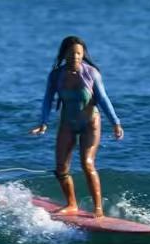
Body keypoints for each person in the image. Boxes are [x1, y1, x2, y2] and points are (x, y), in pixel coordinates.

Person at [28, 35, 124, 216]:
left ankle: (98, 210)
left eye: (79, 54)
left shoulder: (91, 73)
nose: (75, 57)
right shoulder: (56, 75)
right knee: (60, 168)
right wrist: (43, 123)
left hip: (90, 124)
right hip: (67, 124)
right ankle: (71, 204)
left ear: (83, 54)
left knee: (87, 163)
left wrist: (115, 123)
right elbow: (47, 100)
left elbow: (103, 99)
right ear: (64, 55)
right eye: (72, 54)